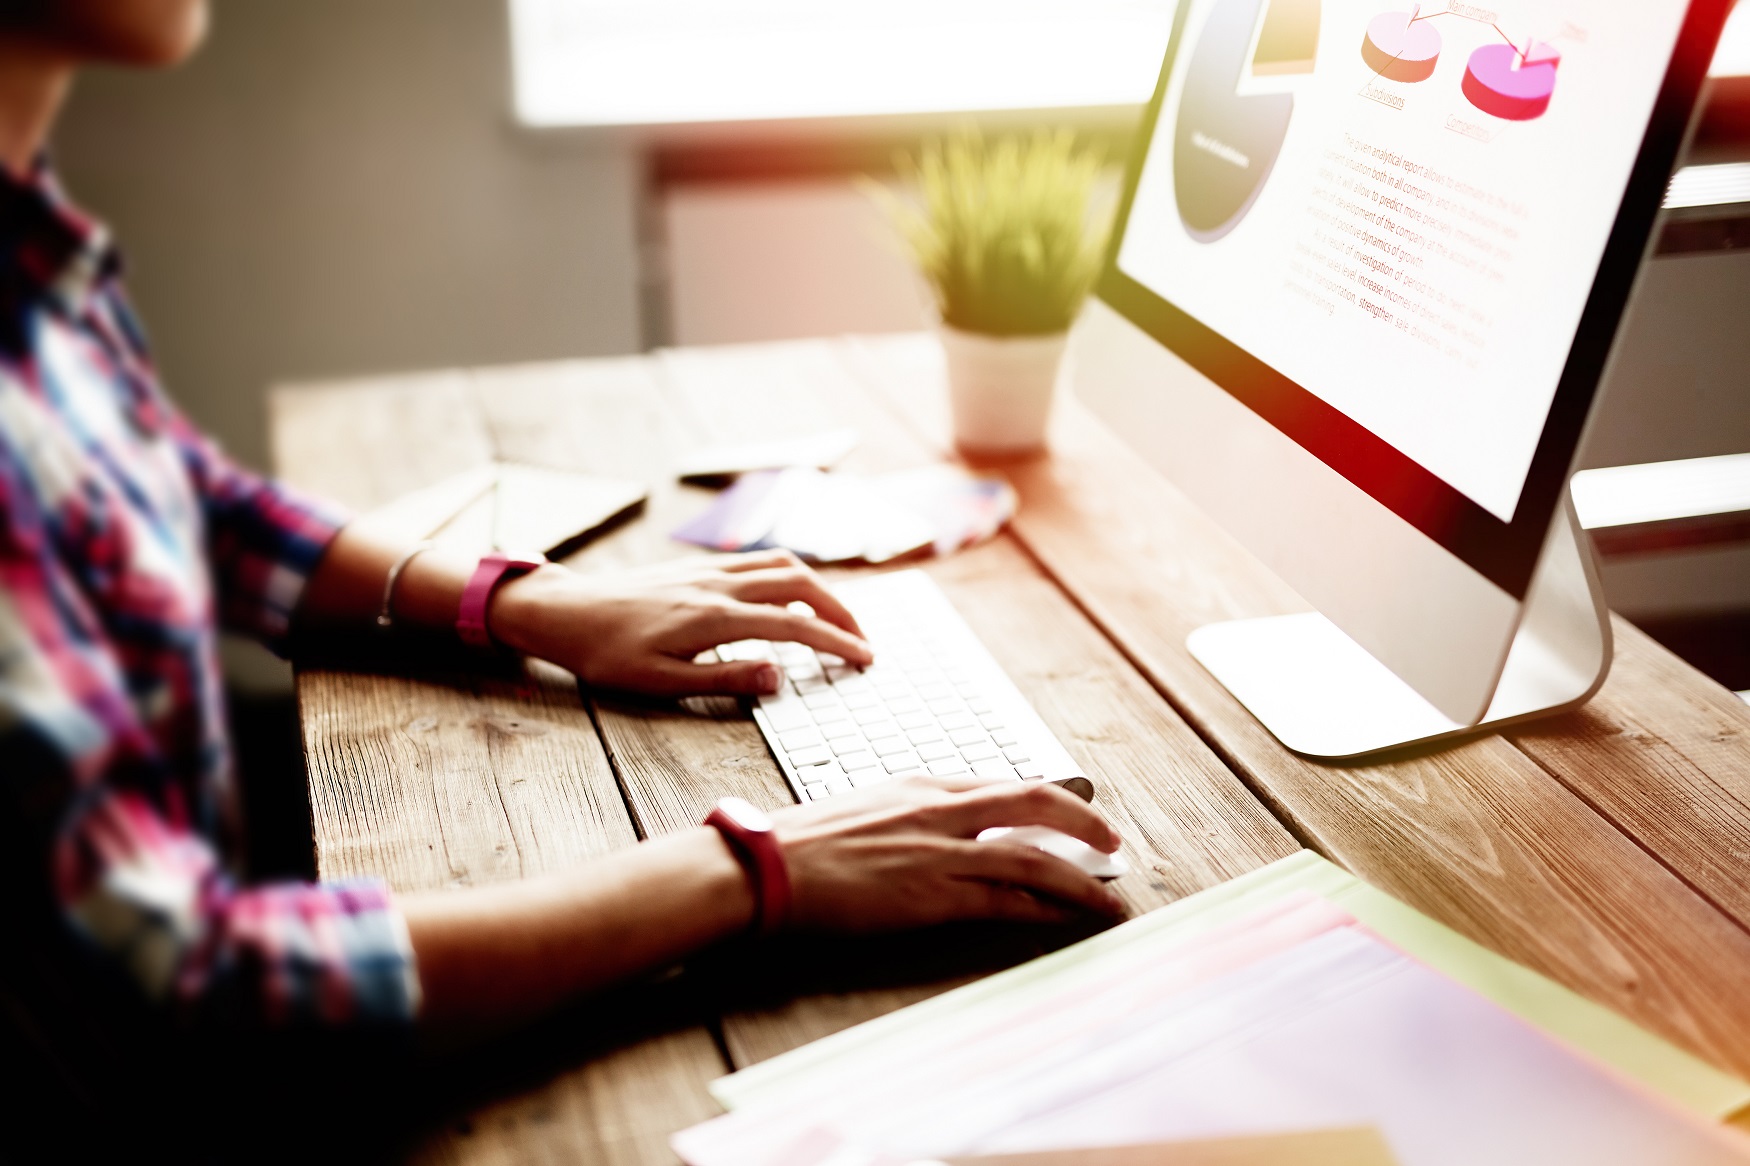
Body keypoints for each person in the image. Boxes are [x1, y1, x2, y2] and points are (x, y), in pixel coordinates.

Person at [0, 0, 1126, 1128]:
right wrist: (751, 869)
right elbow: (192, 999)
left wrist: (528, 600)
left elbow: (176, 500)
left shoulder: (31, 250)